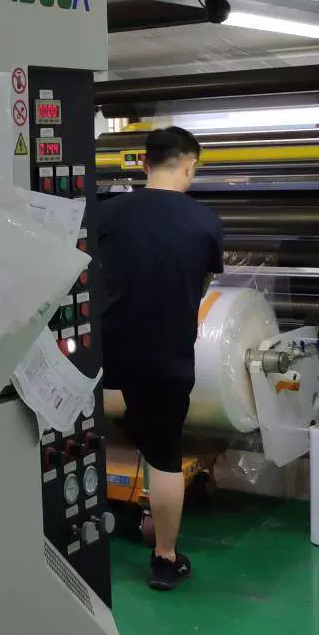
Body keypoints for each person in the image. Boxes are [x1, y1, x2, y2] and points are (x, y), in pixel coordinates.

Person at [91, 126, 223, 591]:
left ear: (145, 164)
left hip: (104, 354)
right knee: (164, 457)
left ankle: (75, 533)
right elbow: (202, 286)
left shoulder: (105, 212)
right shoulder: (206, 223)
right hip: (166, 356)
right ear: (190, 166)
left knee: (80, 441)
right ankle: (165, 559)